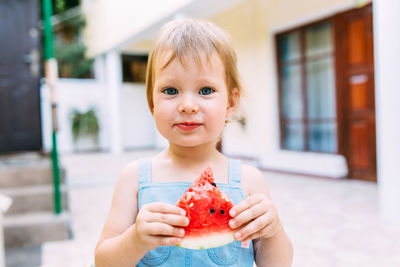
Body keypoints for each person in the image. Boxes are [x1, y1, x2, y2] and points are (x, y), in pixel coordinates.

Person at [95, 18, 293, 267]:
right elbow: (103, 261)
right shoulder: (134, 178)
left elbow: (277, 264)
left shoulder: (249, 181)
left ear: (230, 104)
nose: (187, 105)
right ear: (152, 103)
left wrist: (272, 230)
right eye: (170, 90)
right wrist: (134, 239)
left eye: (206, 90)